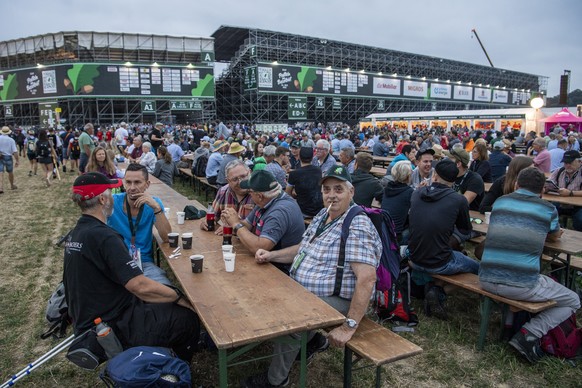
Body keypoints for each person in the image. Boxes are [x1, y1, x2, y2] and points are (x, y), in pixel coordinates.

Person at [242, 166, 382, 387]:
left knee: (291, 317)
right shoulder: (324, 214)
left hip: (339, 299)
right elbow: (303, 248)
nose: (332, 195)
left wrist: (349, 326)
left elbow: (367, 279)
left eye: (338, 189)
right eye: (327, 189)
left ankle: (276, 380)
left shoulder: (357, 224)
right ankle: (312, 341)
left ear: (351, 191)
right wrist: (272, 255)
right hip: (308, 291)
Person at [64, 172, 199, 361]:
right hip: (113, 325)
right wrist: (178, 296)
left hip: (90, 319)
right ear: (103, 199)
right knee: (186, 317)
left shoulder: (76, 232)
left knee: (160, 302)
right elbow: (140, 287)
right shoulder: (104, 237)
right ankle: (174, 366)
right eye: (111, 192)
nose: (115, 195)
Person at [479, 167, 580, 363]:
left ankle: (512, 323)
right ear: (542, 189)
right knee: (573, 300)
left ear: (516, 184)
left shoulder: (500, 202)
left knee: (521, 278)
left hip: (486, 278)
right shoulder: (547, 209)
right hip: (520, 285)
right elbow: (554, 234)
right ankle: (529, 334)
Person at [408, 159, 479, 319]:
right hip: (439, 262)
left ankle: (433, 286)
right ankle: (439, 291)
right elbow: (465, 230)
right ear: (454, 180)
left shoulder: (417, 193)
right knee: (478, 268)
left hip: (413, 256)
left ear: (435, 176)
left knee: (455, 254)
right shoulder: (458, 200)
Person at [221, 169, 304, 274]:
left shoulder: (279, 211)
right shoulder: (267, 200)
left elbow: (259, 247)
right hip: (266, 263)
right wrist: (232, 220)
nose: (249, 195)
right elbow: (247, 225)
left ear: (259, 196)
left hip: (281, 271)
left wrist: (236, 224)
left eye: (250, 192)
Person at [107, 163, 173, 285]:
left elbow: (167, 237)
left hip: (144, 263)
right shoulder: (112, 202)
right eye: (128, 182)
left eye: (137, 182)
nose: (132, 187)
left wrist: (156, 208)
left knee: (165, 290)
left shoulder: (153, 204)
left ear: (147, 184)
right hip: (116, 262)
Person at [201, 159, 255, 233]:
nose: (240, 182)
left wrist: (232, 228)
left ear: (250, 172)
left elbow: (259, 231)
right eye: (235, 179)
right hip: (227, 242)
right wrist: (205, 222)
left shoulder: (258, 194)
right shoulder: (223, 192)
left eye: (243, 176)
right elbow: (212, 216)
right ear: (228, 181)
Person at [547, 150, 582, 231]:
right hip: (560, 203)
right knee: (547, 214)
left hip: (578, 206)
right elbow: (549, 182)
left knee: (580, 220)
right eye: (565, 163)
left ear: (580, 162)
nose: (567, 165)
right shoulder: (559, 171)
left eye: (570, 163)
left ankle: (578, 239)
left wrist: (570, 193)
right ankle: (553, 233)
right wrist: (546, 188)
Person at [382, 161, 413, 244]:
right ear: (408, 176)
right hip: (397, 236)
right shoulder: (409, 192)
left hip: (384, 231)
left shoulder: (387, 188)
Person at [286, 147, 324, 217]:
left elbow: (288, 193)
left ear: (299, 157)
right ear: (312, 157)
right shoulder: (318, 170)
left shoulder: (294, 174)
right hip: (319, 210)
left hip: (303, 211)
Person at [447, 146, 484, 212]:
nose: (446, 163)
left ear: (458, 164)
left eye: (449, 160)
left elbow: (462, 204)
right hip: (452, 213)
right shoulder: (449, 175)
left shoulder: (475, 179)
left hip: (471, 216)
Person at [0, 126, 19, 193]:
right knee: (10, 172)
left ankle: (1, 187)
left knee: (0, 172)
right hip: (8, 156)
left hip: (0, 156)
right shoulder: (11, 140)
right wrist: (17, 160)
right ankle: (12, 185)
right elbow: (15, 151)